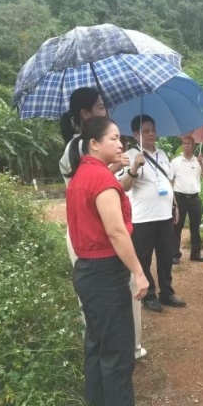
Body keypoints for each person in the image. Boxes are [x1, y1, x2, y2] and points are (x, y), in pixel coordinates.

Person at [65, 116, 149, 406]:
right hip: (105, 275)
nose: (120, 144)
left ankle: (97, 402)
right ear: (94, 143)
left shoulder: (82, 174)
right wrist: (139, 271)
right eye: (113, 138)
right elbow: (115, 232)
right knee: (118, 352)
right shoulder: (100, 180)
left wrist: (113, 171)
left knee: (97, 341)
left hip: (87, 271)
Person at [59, 87, 147, 359]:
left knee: (122, 294)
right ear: (85, 114)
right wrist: (110, 169)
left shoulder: (94, 155)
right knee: (105, 300)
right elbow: (91, 188)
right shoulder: (76, 148)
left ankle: (125, 347)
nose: (106, 111)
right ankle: (109, 352)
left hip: (102, 231)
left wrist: (123, 169)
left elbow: (111, 188)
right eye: (100, 107)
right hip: (94, 236)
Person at [121, 114, 187, 313]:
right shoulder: (129, 155)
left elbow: (168, 181)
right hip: (142, 218)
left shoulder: (162, 154)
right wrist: (134, 167)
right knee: (144, 258)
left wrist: (175, 205)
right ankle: (149, 295)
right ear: (136, 134)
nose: (151, 134)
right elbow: (124, 187)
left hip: (164, 216)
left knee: (166, 256)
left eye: (153, 130)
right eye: (146, 131)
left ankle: (166, 292)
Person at [171, 135, 203, 264]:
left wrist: (201, 163)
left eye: (189, 143)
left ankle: (196, 253)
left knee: (195, 226)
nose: (187, 145)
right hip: (179, 197)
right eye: (184, 143)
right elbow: (170, 179)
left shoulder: (198, 161)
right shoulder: (176, 161)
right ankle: (175, 254)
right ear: (182, 145)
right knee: (177, 226)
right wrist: (172, 198)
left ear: (193, 145)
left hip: (194, 198)